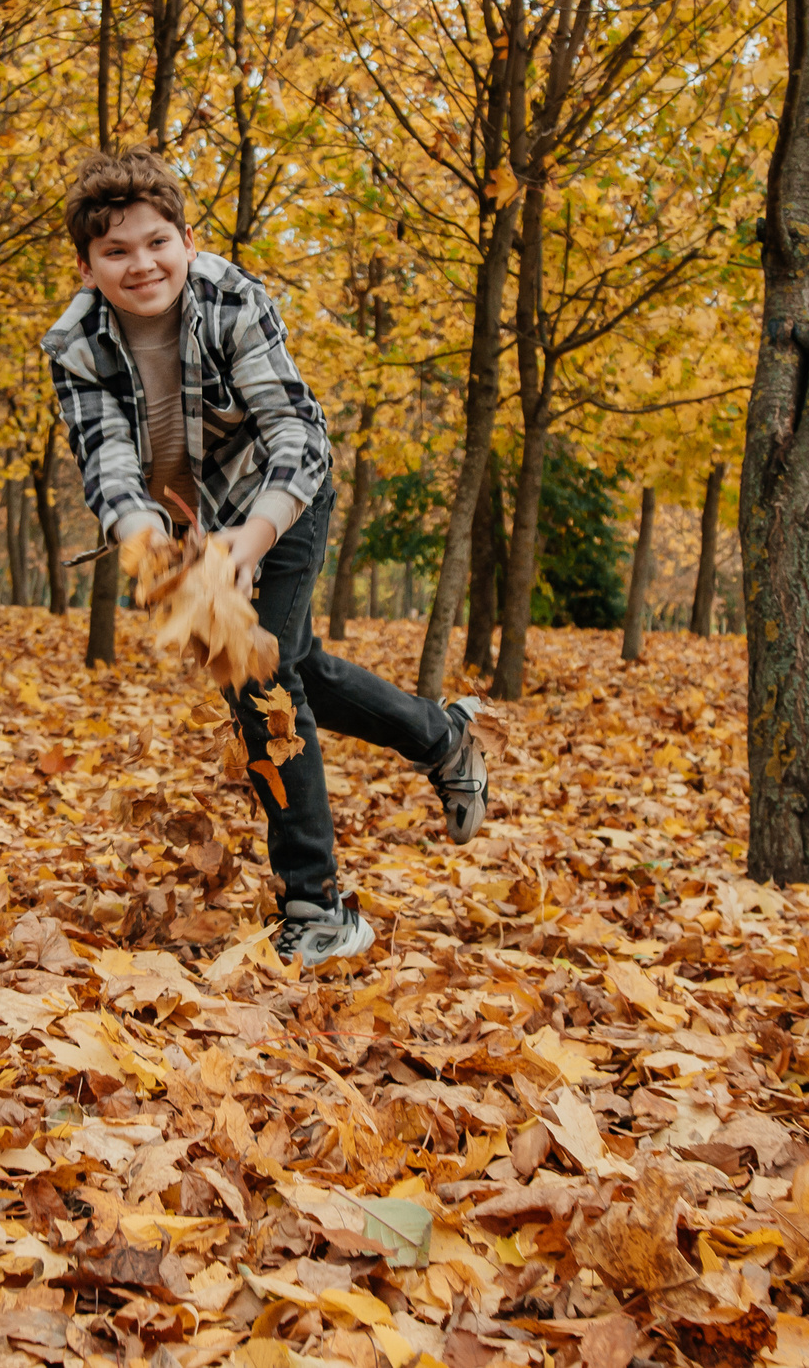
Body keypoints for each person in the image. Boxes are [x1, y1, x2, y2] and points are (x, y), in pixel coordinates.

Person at [41, 150, 491, 965]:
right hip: (188, 525)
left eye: (157, 242)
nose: (141, 264)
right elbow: (106, 463)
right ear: (86, 266)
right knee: (293, 664)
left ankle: (317, 906)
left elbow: (293, 433)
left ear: (187, 239)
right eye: (115, 251)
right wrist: (155, 552)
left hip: (281, 497)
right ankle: (441, 738)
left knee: (261, 684)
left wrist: (248, 545)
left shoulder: (232, 300)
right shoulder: (75, 345)